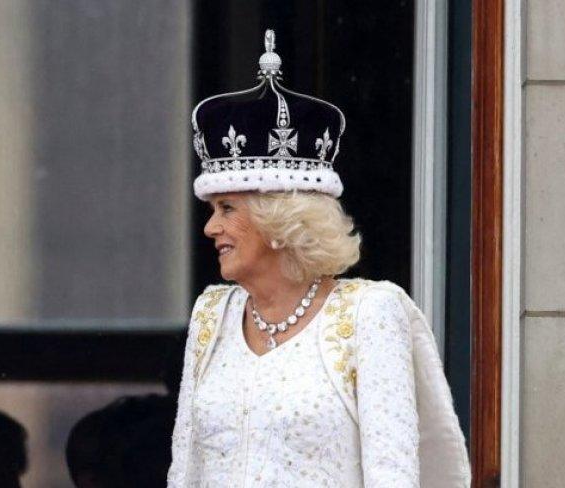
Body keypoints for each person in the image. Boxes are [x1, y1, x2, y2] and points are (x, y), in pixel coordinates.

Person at [167, 30, 470, 487]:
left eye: (227, 208)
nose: (211, 228)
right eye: (213, 211)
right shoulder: (212, 315)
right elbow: (184, 471)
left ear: (279, 220)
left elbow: (395, 476)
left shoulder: (369, 313)